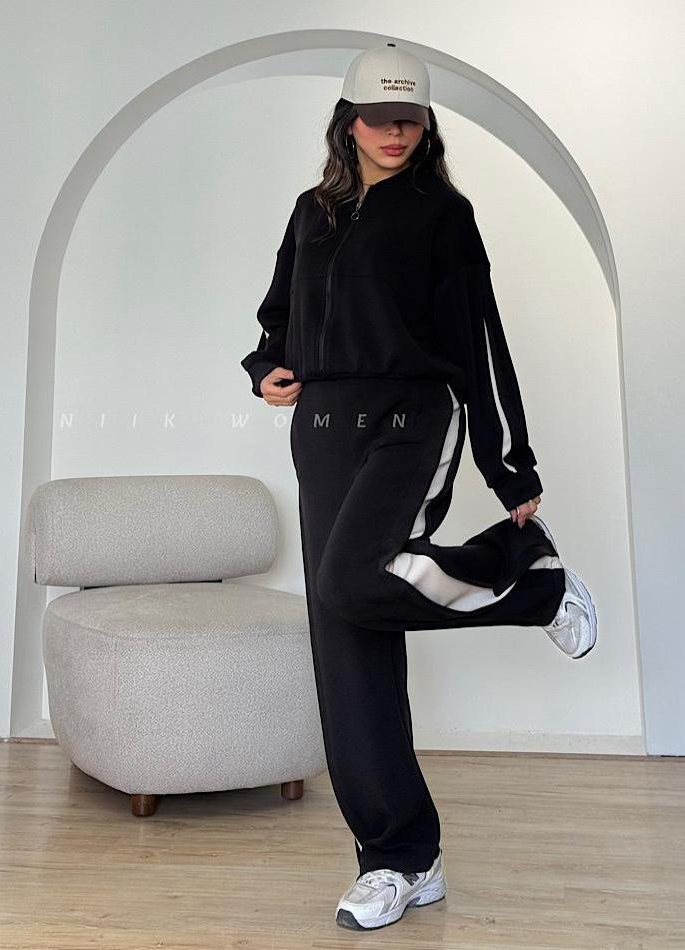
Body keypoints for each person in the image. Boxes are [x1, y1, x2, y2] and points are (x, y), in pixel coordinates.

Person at [240, 42, 598, 932]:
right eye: (378, 118)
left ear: (426, 124)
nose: (394, 133)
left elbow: (481, 338)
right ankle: (402, 857)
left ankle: (532, 577)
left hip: (412, 414)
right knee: (344, 634)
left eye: (409, 118)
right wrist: (267, 364)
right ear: (348, 122)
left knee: (352, 581)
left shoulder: (444, 213)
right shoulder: (312, 211)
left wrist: (509, 464)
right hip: (324, 424)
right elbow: (279, 312)